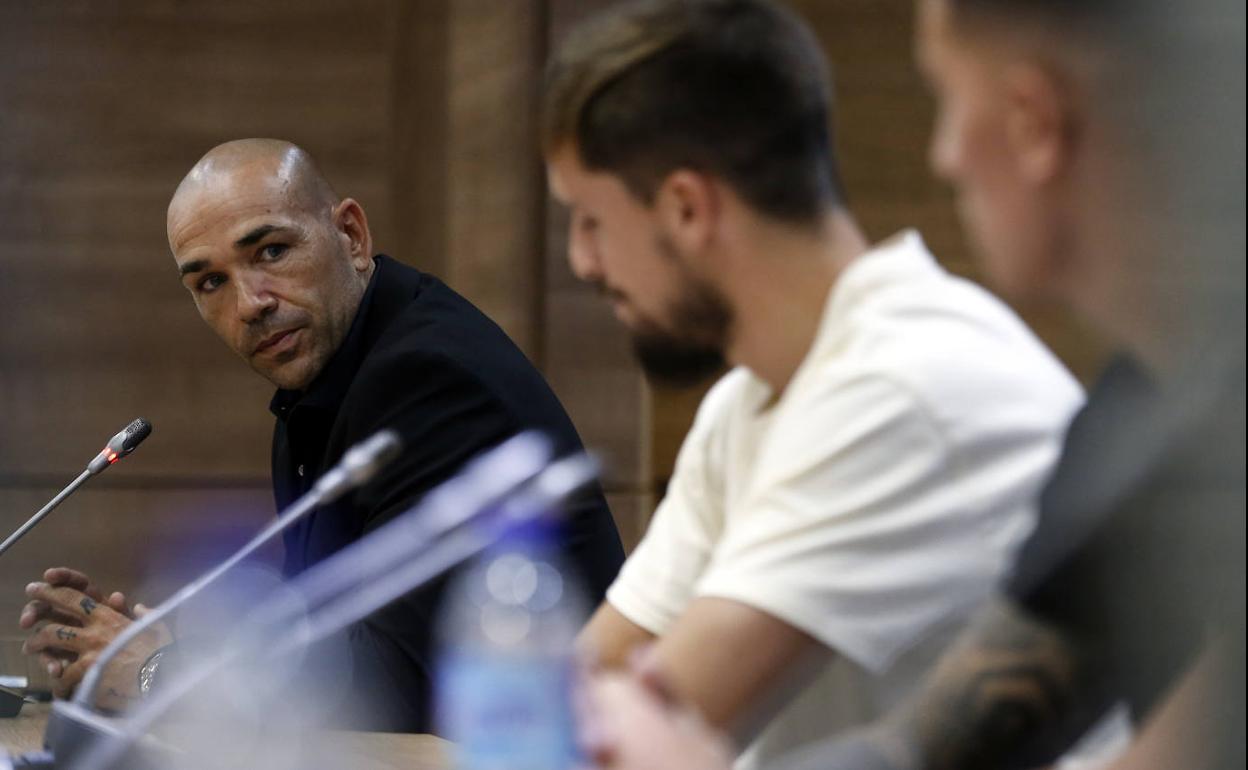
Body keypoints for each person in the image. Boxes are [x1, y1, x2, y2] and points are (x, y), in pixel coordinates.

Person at [579, 0, 1245, 767]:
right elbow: (938, 753)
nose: (946, 156)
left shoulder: (912, 380)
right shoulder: (1152, 407)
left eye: (951, 99)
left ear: (1035, 123)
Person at [19, 138, 626, 730]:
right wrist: (173, 636)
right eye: (210, 283)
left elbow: (396, 684)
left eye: (272, 252)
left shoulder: (430, 380)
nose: (249, 303)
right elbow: (320, 627)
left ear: (352, 237)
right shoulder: (322, 382)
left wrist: (162, 672)